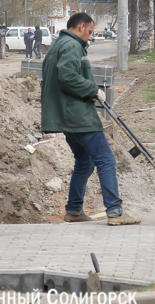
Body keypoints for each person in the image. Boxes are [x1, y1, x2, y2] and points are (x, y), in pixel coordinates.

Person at [40, 12, 139, 226]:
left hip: (67, 116)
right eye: (90, 32)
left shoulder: (58, 45)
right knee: (106, 159)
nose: (90, 37)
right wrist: (92, 90)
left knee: (84, 162)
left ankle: (74, 210)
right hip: (78, 116)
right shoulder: (72, 45)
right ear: (81, 26)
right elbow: (67, 76)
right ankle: (115, 211)